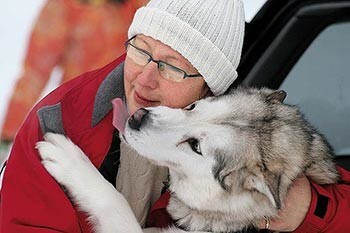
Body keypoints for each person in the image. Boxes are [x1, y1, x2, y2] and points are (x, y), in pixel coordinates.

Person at [0, 0, 349, 232]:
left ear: (211, 90)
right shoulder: (59, 125)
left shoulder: (241, 140)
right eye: (141, 49)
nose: (144, 79)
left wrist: (309, 208)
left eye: (173, 68)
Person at [0, 0, 148, 155]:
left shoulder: (138, 7)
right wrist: (7, 135)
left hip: (136, 123)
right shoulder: (63, 7)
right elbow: (35, 74)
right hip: (79, 126)